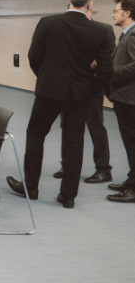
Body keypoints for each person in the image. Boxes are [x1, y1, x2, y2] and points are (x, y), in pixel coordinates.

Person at [6, 0, 114, 209]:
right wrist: (89, 89)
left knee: (35, 134)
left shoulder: (48, 23)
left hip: (49, 90)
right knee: (74, 142)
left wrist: (46, 78)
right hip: (80, 94)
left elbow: (34, 56)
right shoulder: (102, 30)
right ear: (90, 4)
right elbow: (105, 70)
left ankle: (31, 188)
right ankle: (68, 196)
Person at [53, 14, 116, 184]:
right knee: (67, 127)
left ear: (89, 8)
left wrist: (95, 66)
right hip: (69, 89)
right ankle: (67, 165)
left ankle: (103, 169)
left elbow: (110, 60)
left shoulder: (103, 29)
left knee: (96, 128)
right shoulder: (64, 30)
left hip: (92, 88)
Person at [107, 0, 135, 203]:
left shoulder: (133, 35)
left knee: (132, 144)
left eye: (116, 11)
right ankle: (131, 180)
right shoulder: (127, 34)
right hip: (125, 98)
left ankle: (133, 188)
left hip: (129, 99)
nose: (113, 15)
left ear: (127, 13)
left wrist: (112, 73)